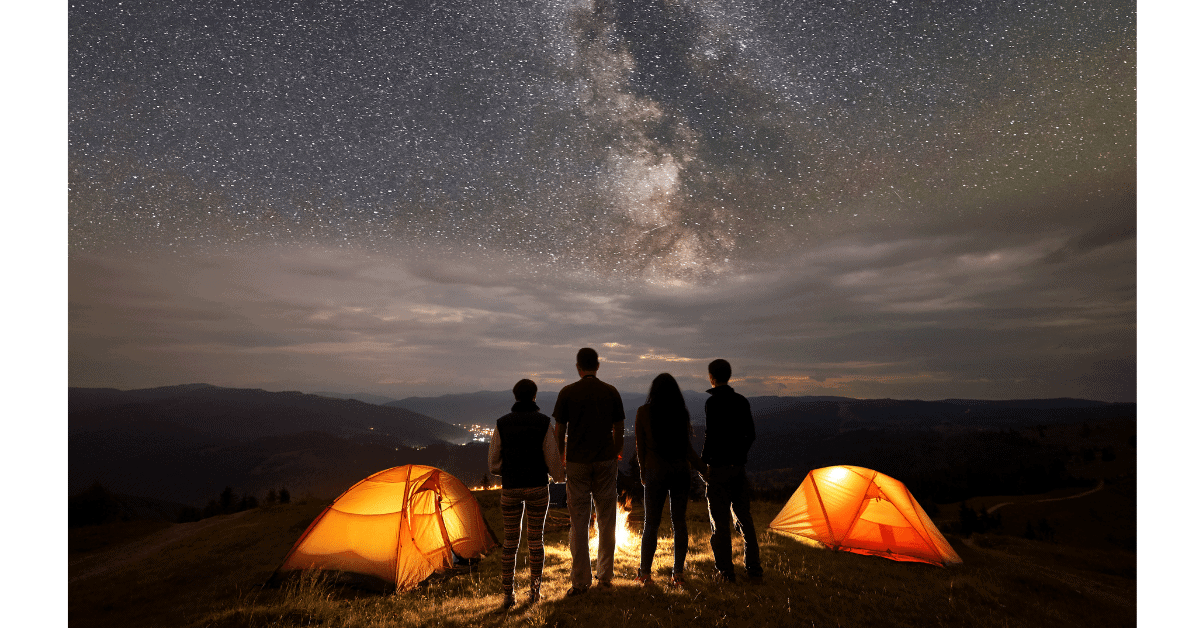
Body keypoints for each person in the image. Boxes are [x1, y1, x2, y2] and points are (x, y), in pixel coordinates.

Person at [553, 347, 625, 596]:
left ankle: (581, 581)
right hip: (605, 460)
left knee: (579, 521)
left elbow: (559, 430)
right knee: (607, 519)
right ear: (598, 365)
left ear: (578, 367)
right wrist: (616, 452)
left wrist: (561, 458)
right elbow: (619, 427)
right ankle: (605, 575)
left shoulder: (567, 393)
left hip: (577, 463)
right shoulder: (611, 391)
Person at [488, 379, 565, 609]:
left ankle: (508, 595)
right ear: (534, 397)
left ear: (515, 397)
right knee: (535, 540)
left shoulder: (502, 424)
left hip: (511, 487)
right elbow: (552, 459)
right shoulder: (543, 423)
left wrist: (509, 471)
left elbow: (493, 464)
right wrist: (559, 477)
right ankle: (535, 591)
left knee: (510, 542)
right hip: (537, 487)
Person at [634, 373, 707, 588]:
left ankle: (645, 574)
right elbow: (688, 450)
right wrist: (705, 471)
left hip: (655, 472)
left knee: (651, 524)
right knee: (679, 523)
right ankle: (678, 574)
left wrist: (643, 473)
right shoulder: (680, 413)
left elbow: (640, 448)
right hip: (679, 472)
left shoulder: (643, 412)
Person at [701, 358, 763, 583]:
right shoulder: (742, 401)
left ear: (712, 377)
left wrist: (703, 463)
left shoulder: (712, 403)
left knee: (719, 522)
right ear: (729, 376)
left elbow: (711, 435)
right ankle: (754, 569)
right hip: (738, 468)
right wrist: (740, 454)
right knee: (744, 518)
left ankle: (726, 572)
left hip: (717, 469)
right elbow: (751, 435)